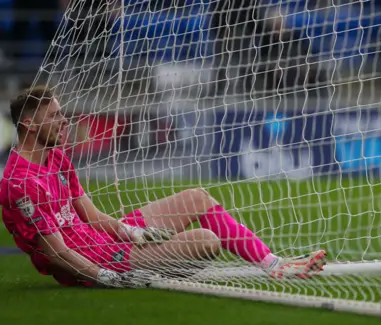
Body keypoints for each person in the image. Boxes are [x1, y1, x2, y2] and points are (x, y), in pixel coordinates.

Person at [0, 86, 327, 288]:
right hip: (96, 260)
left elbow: (94, 216)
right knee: (207, 241)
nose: (64, 121)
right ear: (29, 124)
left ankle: (274, 265)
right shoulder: (20, 183)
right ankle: (158, 263)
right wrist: (103, 276)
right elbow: (56, 253)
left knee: (197, 197)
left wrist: (133, 233)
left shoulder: (57, 158)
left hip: (105, 241)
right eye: (55, 116)